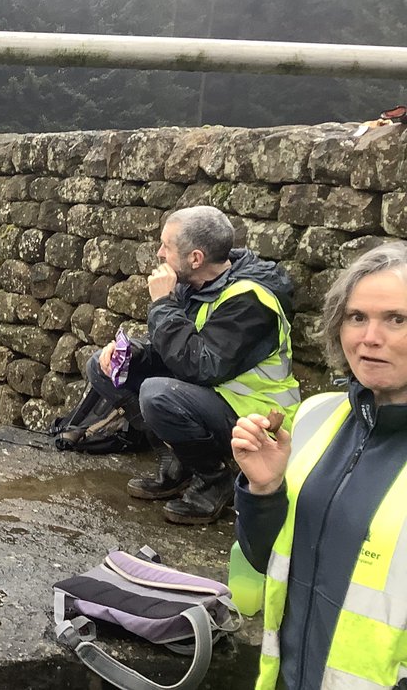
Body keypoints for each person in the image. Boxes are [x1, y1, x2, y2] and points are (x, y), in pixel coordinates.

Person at [233, 241, 407, 690]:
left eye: (397, 319)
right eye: (357, 317)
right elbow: (265, 558)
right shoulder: (316, 416)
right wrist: (264, 491)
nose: (370, 337)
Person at [85, 205, 300, 525]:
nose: (159, 253)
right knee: (104, 368)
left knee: (157, 394)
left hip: (254, 418)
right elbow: (173, 350)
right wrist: (131, 353)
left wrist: (162, 304)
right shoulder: (193, 285)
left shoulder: (251, 300)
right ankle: (178, 462)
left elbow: (199, 366)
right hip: (206, 396)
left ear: (195, 258)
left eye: (166, 247)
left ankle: (214, 480)